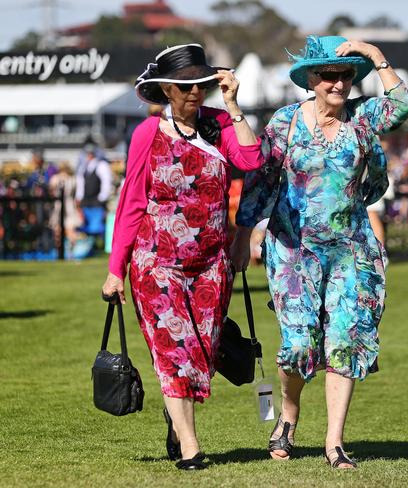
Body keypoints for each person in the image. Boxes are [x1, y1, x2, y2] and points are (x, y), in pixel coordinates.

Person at [231, 35, 408, 469]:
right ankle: (289, 416)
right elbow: (261, 180)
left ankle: (334, 442)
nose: (338, 82)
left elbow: (402, 106)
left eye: (346, 74)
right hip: (293, 249)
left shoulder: (363, 119)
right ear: (311, 79)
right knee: (297, 345)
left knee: (346, 340)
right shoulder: (285, 122)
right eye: (329, 75)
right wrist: (243, 236)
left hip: (351, 248)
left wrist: (374, 55)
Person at [100, 43, 263, 470]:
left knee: (204, 355)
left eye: (201, 84)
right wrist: (116, 270)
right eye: (184, 85)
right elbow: (131, 202)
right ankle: (191, 448)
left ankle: (177, 421)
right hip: (156, 262)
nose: (195, 92)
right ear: (165, 90)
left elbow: (250, 158)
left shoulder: (220, 123)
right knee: (176, 350)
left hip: (212, 263)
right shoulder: (147, 134)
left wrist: (233, 103)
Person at [75, 142, 113, 249]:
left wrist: (101, 199)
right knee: (87, 227)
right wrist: (79, 198)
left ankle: (99, 247)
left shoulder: (101, 165)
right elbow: (81, 185)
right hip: (86, 202)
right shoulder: (83, 167)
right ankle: (90, 247)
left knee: (97, 227)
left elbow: (106, 183)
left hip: (96, 202)